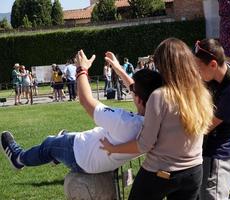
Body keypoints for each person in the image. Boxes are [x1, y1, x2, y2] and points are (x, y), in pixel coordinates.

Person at [0, 53, 163, 174]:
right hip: (97, 160)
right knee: (65, 138)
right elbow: (137, 89)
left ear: (140, 100)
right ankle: (60, 149)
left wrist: (82, 70)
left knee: (49, 144)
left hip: (79, 153)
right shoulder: (155, 122)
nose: (131, 89)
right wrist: (118, 69)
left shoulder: (124, 122)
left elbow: (86, 100)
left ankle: (18, 158)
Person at [101, 38, 214, 200]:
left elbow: (144, 144)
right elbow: (136, 88)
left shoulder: (160, 96)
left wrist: (113, 148)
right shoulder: (201, 93)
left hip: (161, 173)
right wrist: (118, 68)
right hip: (194, 172)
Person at [193, 39, 230, 200]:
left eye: (198, 68)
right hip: (207, 154)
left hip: (217, 158)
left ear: (213, 64)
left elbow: (205, 126)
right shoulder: (222, 73)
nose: (196, 73)